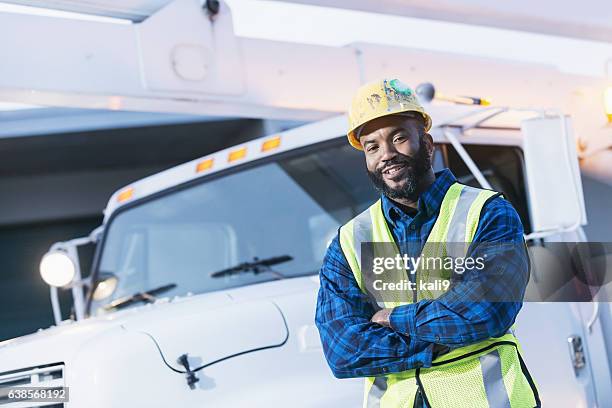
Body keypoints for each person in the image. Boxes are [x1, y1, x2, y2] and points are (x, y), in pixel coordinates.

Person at [315, 79, 540, 407]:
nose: (387, 155)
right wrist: (432, 343)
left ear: (427, 143)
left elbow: (486, 311)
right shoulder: (349, 241)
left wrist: (393, 318)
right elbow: (342, 350)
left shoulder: (486, 212)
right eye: (372, 146)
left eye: (399, 138)